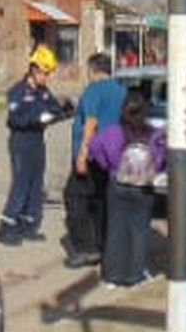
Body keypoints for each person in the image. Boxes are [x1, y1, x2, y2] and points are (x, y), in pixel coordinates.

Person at [89, 90, 165, 288]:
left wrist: (108, 166)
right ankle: (134, 275)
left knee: (115, 229)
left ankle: (112, 276)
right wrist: (156, 170)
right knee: (139, 231)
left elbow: (95, 147)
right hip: (144, 188)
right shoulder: (155, 135)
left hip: (118, 185)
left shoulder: (113, 132)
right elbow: (165, 157)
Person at [62, 53, 126, 268]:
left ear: (93, 70)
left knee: (74, 198)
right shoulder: (120, 90)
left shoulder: (93, 90)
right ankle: (102, 243)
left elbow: (91, 123)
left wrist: (82, 155)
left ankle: (85, 248)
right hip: (111, 154)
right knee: (100, 200)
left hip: (91, 153)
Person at [0, 45, 62, 247]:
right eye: (45, 73)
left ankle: (28, 225)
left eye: (49, 73)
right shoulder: (17, 92)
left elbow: (54, 108)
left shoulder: (43, 91)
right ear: (34, 70)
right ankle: (7, 227)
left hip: (37, 141)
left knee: (36, 183)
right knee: (21, 183)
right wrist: (36, 118)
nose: (47, 77)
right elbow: (15, 119)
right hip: (21, 141)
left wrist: (59, 111)